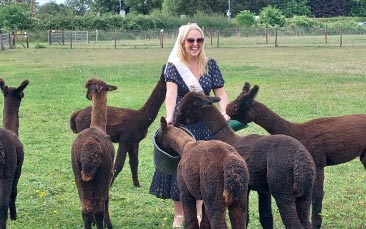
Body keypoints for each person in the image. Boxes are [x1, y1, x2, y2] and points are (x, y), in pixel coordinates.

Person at [149, 23, 230, 228]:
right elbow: (171, 94)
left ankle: (198, 211)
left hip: (206, 125)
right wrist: (169, 117)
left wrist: (225, 112)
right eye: (191, 40)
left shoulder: (210, 65)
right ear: (183, 43)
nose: (195, 44)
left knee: (205, 167)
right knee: (181, 168)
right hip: (183, 124)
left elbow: (220, 92)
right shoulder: (174, 66)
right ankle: (180, 214)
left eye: (199, 40)